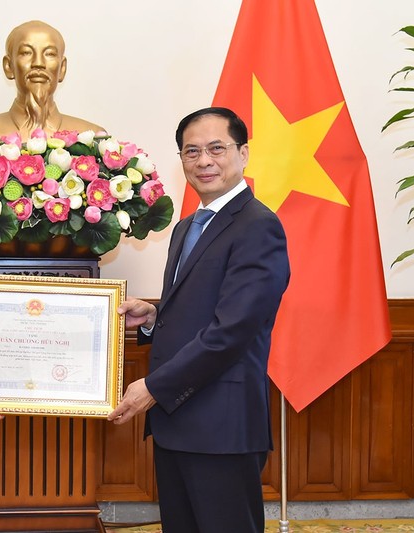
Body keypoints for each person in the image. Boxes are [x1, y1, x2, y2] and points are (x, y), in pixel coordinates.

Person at [107, 107, 290, 533]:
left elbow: (232, 332)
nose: (204, 161)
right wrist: (153, 316)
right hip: (177, 422)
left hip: (221, 427)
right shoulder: (187, 226)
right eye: (192, 151)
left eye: (216, 148)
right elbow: (201, 309)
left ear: (243, 153)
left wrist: (152, 388)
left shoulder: (258, 227)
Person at [0, 20, 104, 140]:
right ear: (8, 66)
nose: (38, 63)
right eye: (26, 53)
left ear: (62, 68)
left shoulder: (93, 138)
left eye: (50, 54)